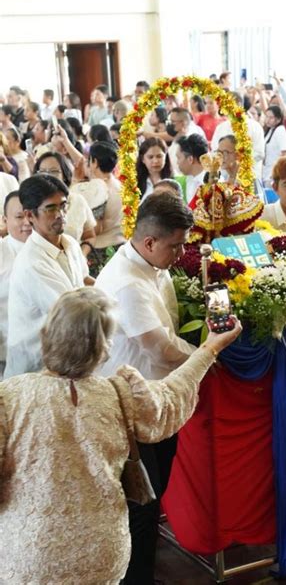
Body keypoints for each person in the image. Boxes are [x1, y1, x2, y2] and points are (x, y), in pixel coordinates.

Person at [0, 286, 241, 585]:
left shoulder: (8, 398)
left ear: (47, 333)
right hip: (103, 550)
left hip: (29, 555)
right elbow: (172, 394)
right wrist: (211, 348)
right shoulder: (120, 394)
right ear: (104, 348)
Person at [95, 193, 217, 583]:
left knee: (154, 493)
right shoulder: (128, 282)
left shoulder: (151, 262)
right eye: (176, 244)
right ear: (149, 242)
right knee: (141, 506)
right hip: (132, 406)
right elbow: (160, 346)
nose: (180, 252)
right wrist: (208, 353)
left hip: (159, 398)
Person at [5, 175, 92, 378]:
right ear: (30, 215)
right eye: (51, 208)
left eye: (63, 206)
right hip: (33, 369)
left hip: (62, 358)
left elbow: (85, 281)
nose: (60, 214)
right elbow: (72, 313)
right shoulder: (32, 263)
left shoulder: (69, 243)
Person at [34, 151, 96, 250]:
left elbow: (89, 236)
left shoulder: (78, 201)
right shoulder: (31, 204)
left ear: (64, 175)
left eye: (54, 171)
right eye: (42, 171)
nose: (47, 176)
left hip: (74, 261)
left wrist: (82, 255)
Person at [0, 191, 32, 374]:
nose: (27, 222)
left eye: (30, 215)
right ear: (5, 220)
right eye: (19, 217)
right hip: (6, 349)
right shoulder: (2, 251)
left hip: (46, 350)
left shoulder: (54, 246)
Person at [86, 141, 125, 276]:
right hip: (120, 245)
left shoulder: (97, 188)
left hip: (100, 251)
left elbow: (96, 227)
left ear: (95, 162)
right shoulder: (120, 185)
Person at [211, 93, 265, 180]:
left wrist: (238, 162)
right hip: (225, 177)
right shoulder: (221, 127)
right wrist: (225, 161)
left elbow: (259, 153)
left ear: (239, 105)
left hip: (248, 177)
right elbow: (214, 150)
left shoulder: (255, 127)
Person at [175, 133, 209, 204]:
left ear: (190, 159)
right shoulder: (180, 182)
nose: (177, 163)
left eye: (178, 158)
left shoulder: (215, 183)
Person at [136, 137, 172, 202]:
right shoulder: (135, 182)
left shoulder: (175, 180)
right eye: (150, 157)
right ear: (143, 159)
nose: (155, 161)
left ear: (165, 157)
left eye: (159, 156)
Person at [262, 105, 286, 185]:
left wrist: (277, 172)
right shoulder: (270, 130)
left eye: (271, 118)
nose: (267, 120)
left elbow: (285, 153)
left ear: (278, 119)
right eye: (266, 117)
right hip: (267, 173)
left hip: (273, 175)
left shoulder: (280, 130)